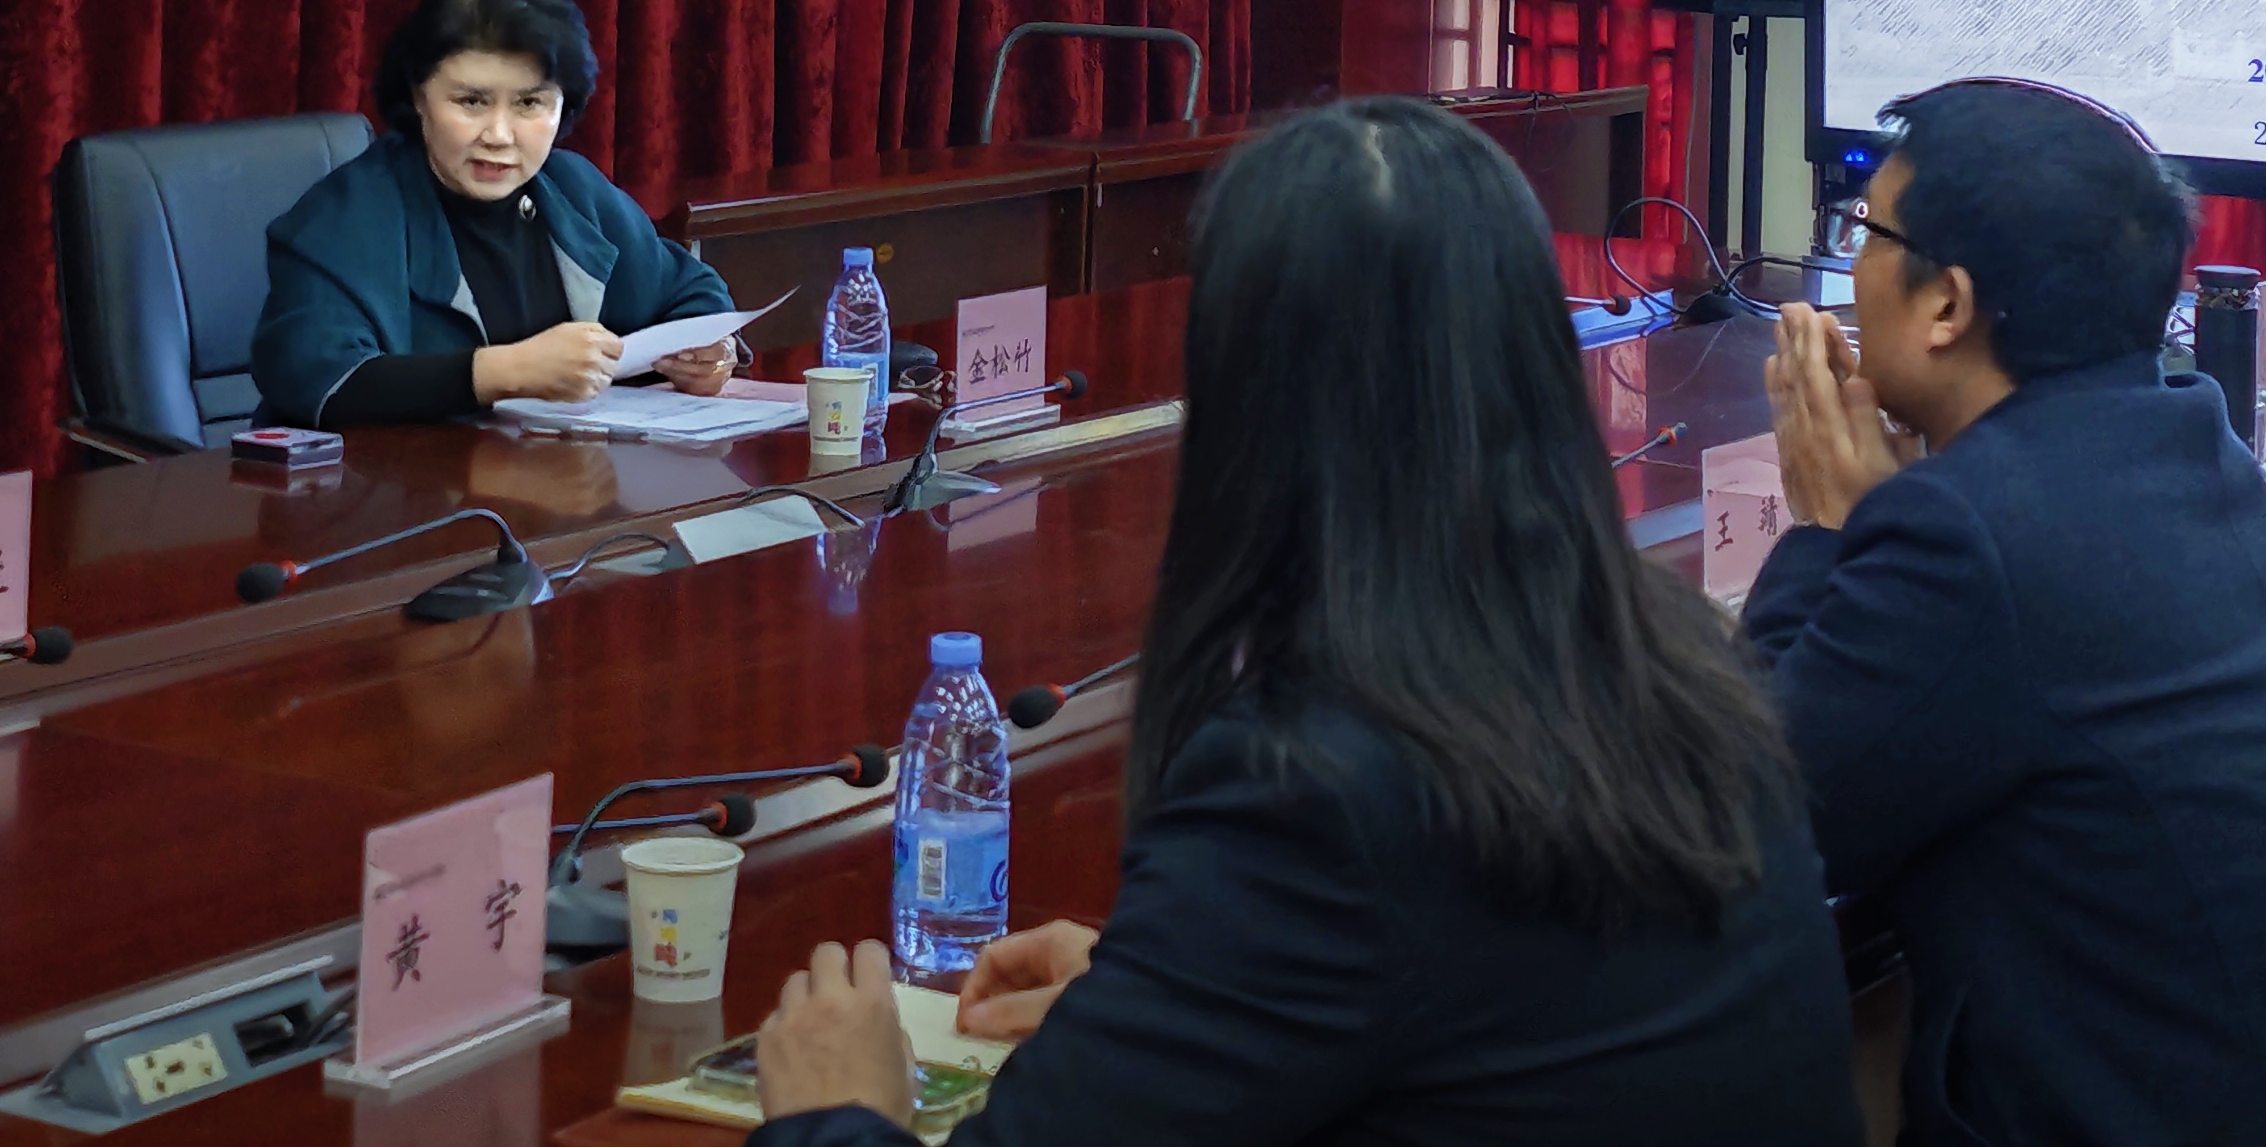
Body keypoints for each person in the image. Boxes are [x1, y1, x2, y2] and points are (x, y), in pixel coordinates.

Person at [745, 98, 1859, 1147]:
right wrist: (1175, 994)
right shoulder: (1673, 662)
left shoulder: (1314, 789)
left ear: (1248, 397)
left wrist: (835, 1107)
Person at [1742, 79, 2266, 1147]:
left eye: (1865, 231)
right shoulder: (2189, 436)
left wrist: (1827, 529)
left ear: (1947, 305)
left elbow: (1746, 817)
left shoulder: (1968, 533)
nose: (1851, 266)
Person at [251, 0, 740, 425]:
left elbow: (692, 292)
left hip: (561, 477)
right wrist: (504, 372)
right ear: (418, 95)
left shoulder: (572, 188)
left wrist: (711, 353)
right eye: (471, 101)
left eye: (529, 103)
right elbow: (317, 380)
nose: (500, 135)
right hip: (386, 482)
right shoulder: (345, 216)